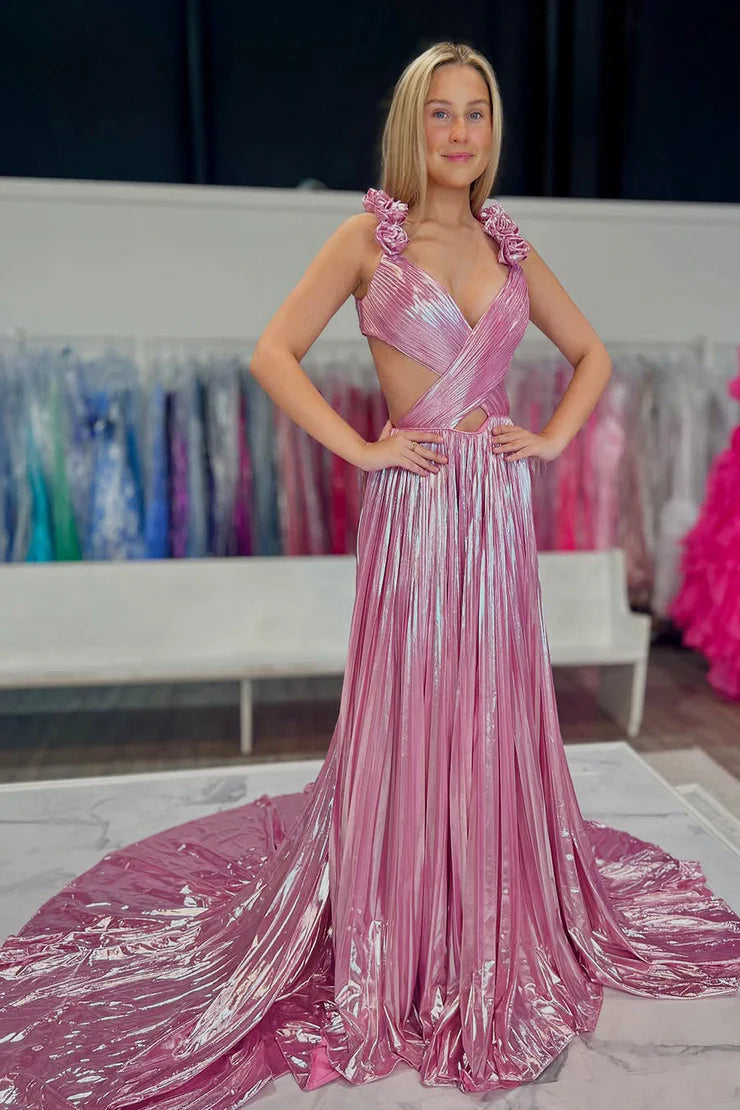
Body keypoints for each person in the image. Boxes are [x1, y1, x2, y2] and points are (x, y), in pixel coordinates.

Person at [1, 40, 739, 1109]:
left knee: (491, 704)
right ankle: (404, 915)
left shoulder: (508, 246)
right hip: (415, 502)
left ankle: (490, 911)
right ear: (411, 125)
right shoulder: (366, 239)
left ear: (491, 129)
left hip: (493, 506)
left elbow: (593, 357)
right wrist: (359, 449)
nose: (458, 132)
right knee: (413, 699)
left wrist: (544, 440)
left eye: (474, 113)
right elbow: (271, 353)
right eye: (440, 113)